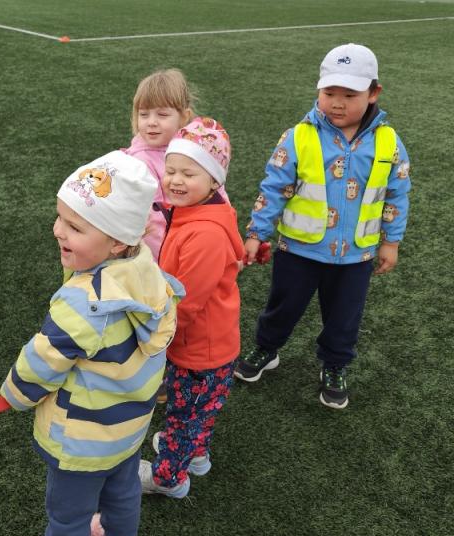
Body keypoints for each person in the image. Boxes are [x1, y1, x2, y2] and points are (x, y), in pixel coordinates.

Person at [1, 151, 183, 536]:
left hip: (82, 437)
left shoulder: (82, 303)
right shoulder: (149, 273)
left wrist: (14, 394)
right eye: (60, 217)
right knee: (123, 489)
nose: (57, 230)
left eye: (75, 226)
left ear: (117, 242)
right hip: (128, 426)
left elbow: (40, 363)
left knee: (69, 513)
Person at [234, 43, 411, 410]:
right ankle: (267, 348)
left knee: (344, 319)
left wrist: (390, 241)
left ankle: (334, 365)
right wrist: (256, 233)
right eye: (330, 93)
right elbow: (274, 188)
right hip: (298, 250)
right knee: (282, 307)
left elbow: (397, 193)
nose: (337, 103)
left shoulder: (388, 142)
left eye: (350, 95)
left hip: (356, 256)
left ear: (373, 93)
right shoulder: (299, 136)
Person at [139, 117, 243, 498]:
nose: (176, 180)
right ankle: (196, 455)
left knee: (184, 416)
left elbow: (187, 302)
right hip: (208, 345)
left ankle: (168, 478)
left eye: (189, 173)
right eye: (171, 171)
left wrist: (156, 336)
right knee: (201, 409)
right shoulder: (194, 213)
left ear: (215, 181)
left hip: (199, 349)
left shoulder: (204, 234)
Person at [122, 68, 231, 263]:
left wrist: (229, 239)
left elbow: (219, 196)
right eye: (144, 114)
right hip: (167, 257)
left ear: (184, 117)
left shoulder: (197, 146)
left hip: (197, 239)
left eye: (162, 114)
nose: (151, 122)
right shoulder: (141, 162)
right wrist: (168, 263)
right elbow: (154, 222)